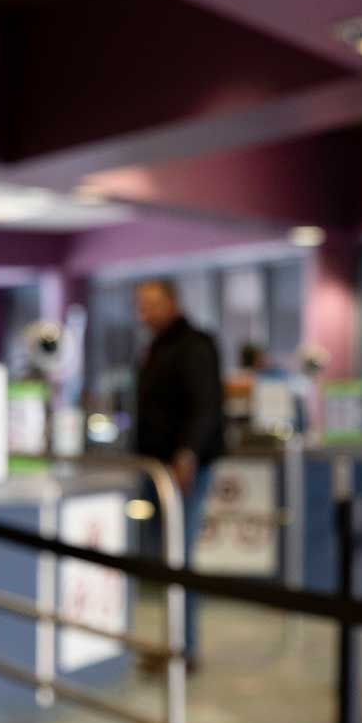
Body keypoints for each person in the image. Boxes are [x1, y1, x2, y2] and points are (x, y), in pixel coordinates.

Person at [134, 278, 225, 666]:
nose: (145, 313)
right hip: (156, 467)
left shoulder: (194, 345)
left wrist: (187, 454)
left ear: (172, 303)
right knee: (167, 558)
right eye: (141, 305)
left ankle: (184, 649)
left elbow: (205, 404)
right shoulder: (157, 346)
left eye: (152, 304)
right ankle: (173, 644)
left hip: (182, 469)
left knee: (180, 559)